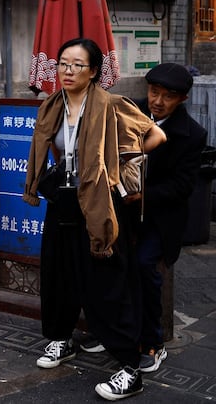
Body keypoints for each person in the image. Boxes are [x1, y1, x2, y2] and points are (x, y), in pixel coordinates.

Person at [23, 38, 167, 400]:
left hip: (100, 203)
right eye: (62, 64)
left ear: (93, 72)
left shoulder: (113, 106)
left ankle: (129, 368)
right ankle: (61, 339)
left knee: (107, 280)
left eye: (76, 65)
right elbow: (51, 148)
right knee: (59, 272)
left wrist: (115, 163)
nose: (67, 72)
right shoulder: (52, 107)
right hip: (63, 200)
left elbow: (156, 135)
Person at [133, 63, 206, 372]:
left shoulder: (193, 135)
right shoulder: (130, 113)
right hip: (122, 210)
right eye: (153, 93)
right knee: (108, 264)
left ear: (183, 99)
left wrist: (143, 194)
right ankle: (113, 331)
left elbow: (182, 185)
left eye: (167, 96)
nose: (158, 101)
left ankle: (153, 342)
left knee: (144, 266)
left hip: (160, 219)